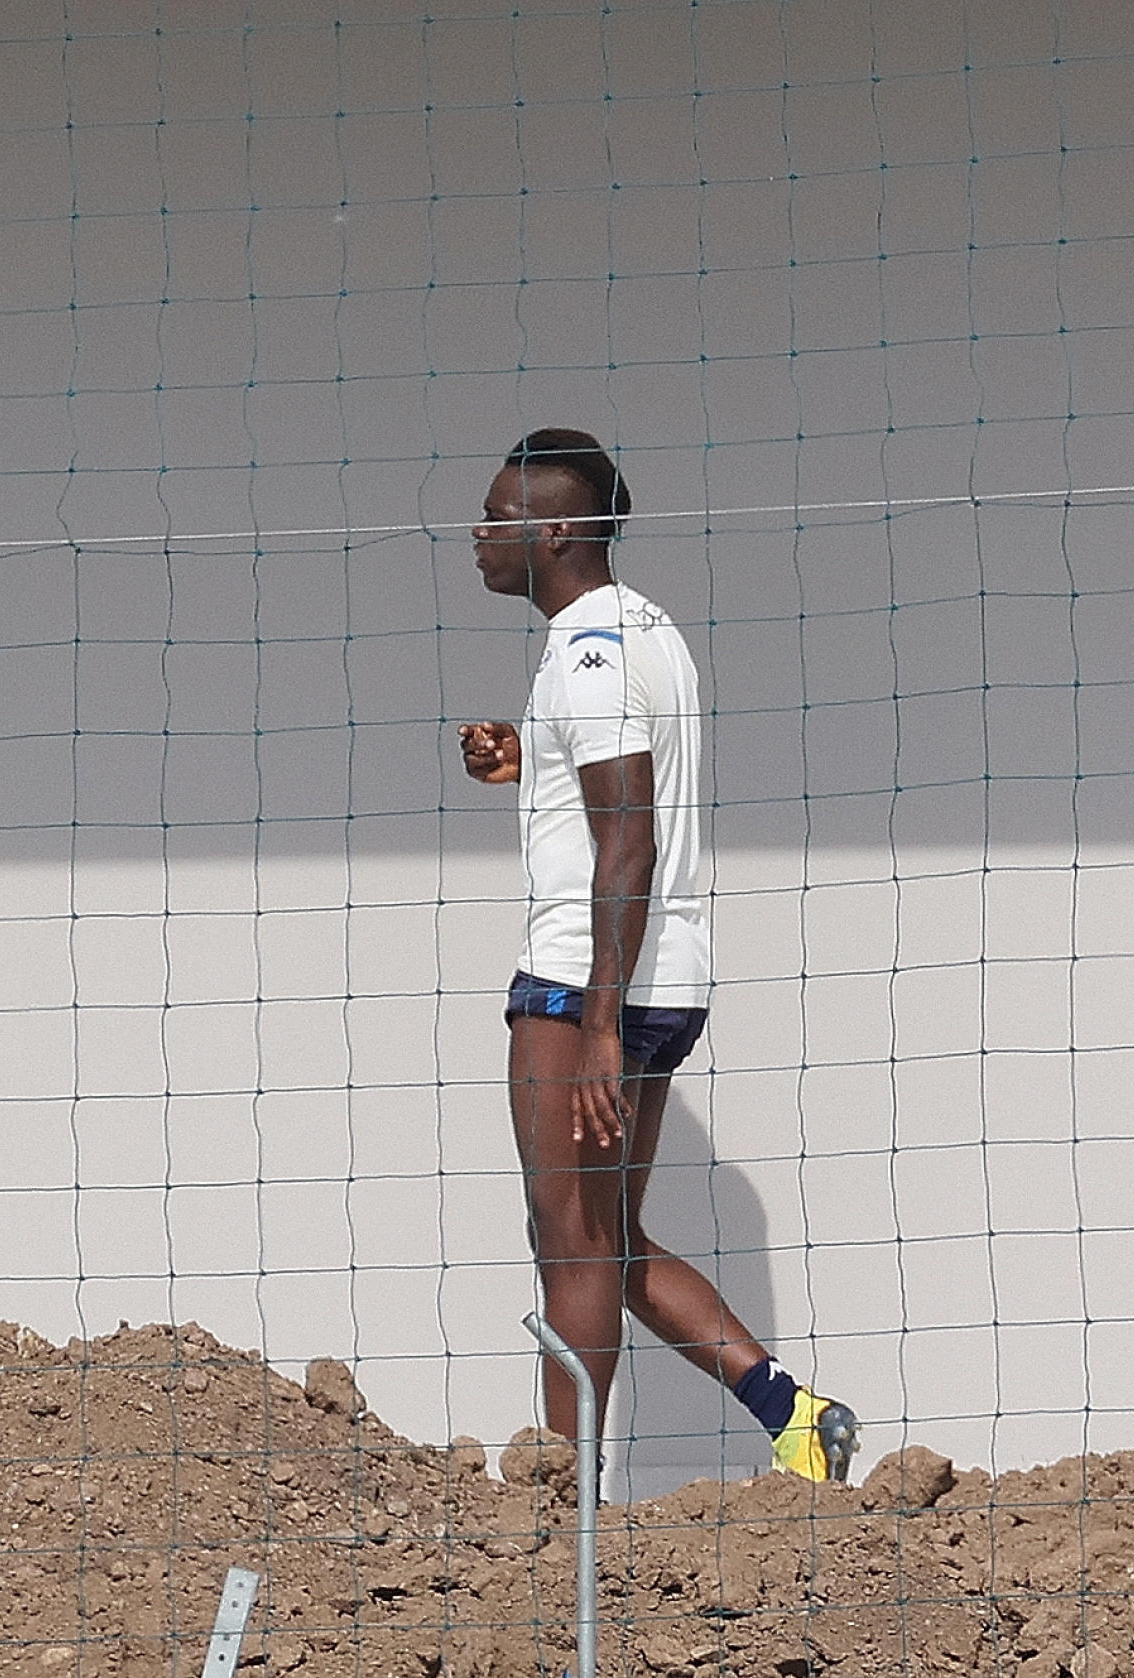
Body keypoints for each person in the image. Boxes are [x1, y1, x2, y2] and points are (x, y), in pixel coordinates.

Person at [455, 428, 857, 1483]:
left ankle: (563, 1499)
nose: (478, 534)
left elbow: (628, 834)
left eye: (496, 517)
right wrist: (529, 757)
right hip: (667, 974)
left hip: (584, 980)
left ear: (557, 530)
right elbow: (626, 789)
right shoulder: (643, 628)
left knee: (571, 1244)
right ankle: (794, 1413)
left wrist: (596, 1025)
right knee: (609, 1239)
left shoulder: (587, 654)